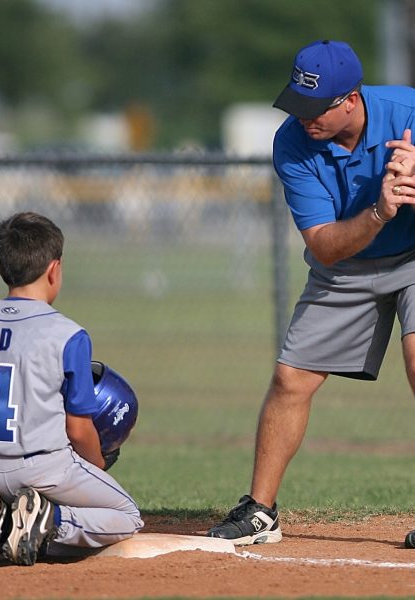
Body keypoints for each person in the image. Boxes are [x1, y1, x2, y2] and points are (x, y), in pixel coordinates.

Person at [207, 39, 415, 546]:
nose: (304, 118)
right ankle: (260, 511)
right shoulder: (293, 143)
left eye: (315, 108)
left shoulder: (408, 112)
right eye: (296, 105)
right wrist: (381, 211)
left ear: (351, 99)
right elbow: (324, 246)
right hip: (346, 260)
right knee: (290, 378)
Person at [0, 212, 143, 567]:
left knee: (23, 499)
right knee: (127, 516)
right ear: (53, 269)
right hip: (44, 468)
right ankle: (48, 520)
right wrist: (96, 465)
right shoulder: (67, 334)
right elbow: (78, 428)